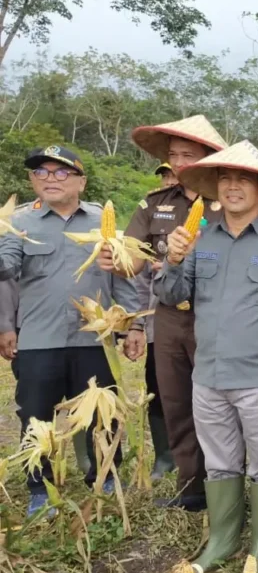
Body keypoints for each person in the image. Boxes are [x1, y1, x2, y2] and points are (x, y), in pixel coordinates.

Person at [155, 140, 258, 573]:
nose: (233, 186)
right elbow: (171, 295)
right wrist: (171, 259)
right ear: (216, 187)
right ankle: (223, 540)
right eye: (225, 178)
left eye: (244, 178)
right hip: (208, 375)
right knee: (220, 460)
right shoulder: (198, 239)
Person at [0, 145, 145, 516]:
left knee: (103, 412)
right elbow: (6, 273)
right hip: (38, 337)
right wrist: (5, 326)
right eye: (41, 172)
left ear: (81, 180)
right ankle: (39, 487)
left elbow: (125, 276)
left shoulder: (103, 220)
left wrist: (134, 325)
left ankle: (106, 476)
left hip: (94, 339)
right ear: (32, 181)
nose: (50, 179)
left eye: (61, 172)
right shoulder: (18, 222)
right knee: (35, 415)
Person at [103, 115, 228, 512]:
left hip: (216, 314)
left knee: (220, 402)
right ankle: (191, 486)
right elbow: (132, 263)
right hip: (170, 316)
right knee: (176, 402)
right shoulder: (154, 205)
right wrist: (114, 259)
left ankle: (227, 483)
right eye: (173, 155)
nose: (178, 162)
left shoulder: (229, 202)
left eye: (188, 154)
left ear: (208, 158)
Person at [131, 162, 178, 479]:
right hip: (159, 316)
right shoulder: (151, 210)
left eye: (174, 174)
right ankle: (164, 456)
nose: (169, 180)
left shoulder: (214, 207)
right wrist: (136, 324)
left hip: (203, 318)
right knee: (158, 387)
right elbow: (137, 277)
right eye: (165, 175)